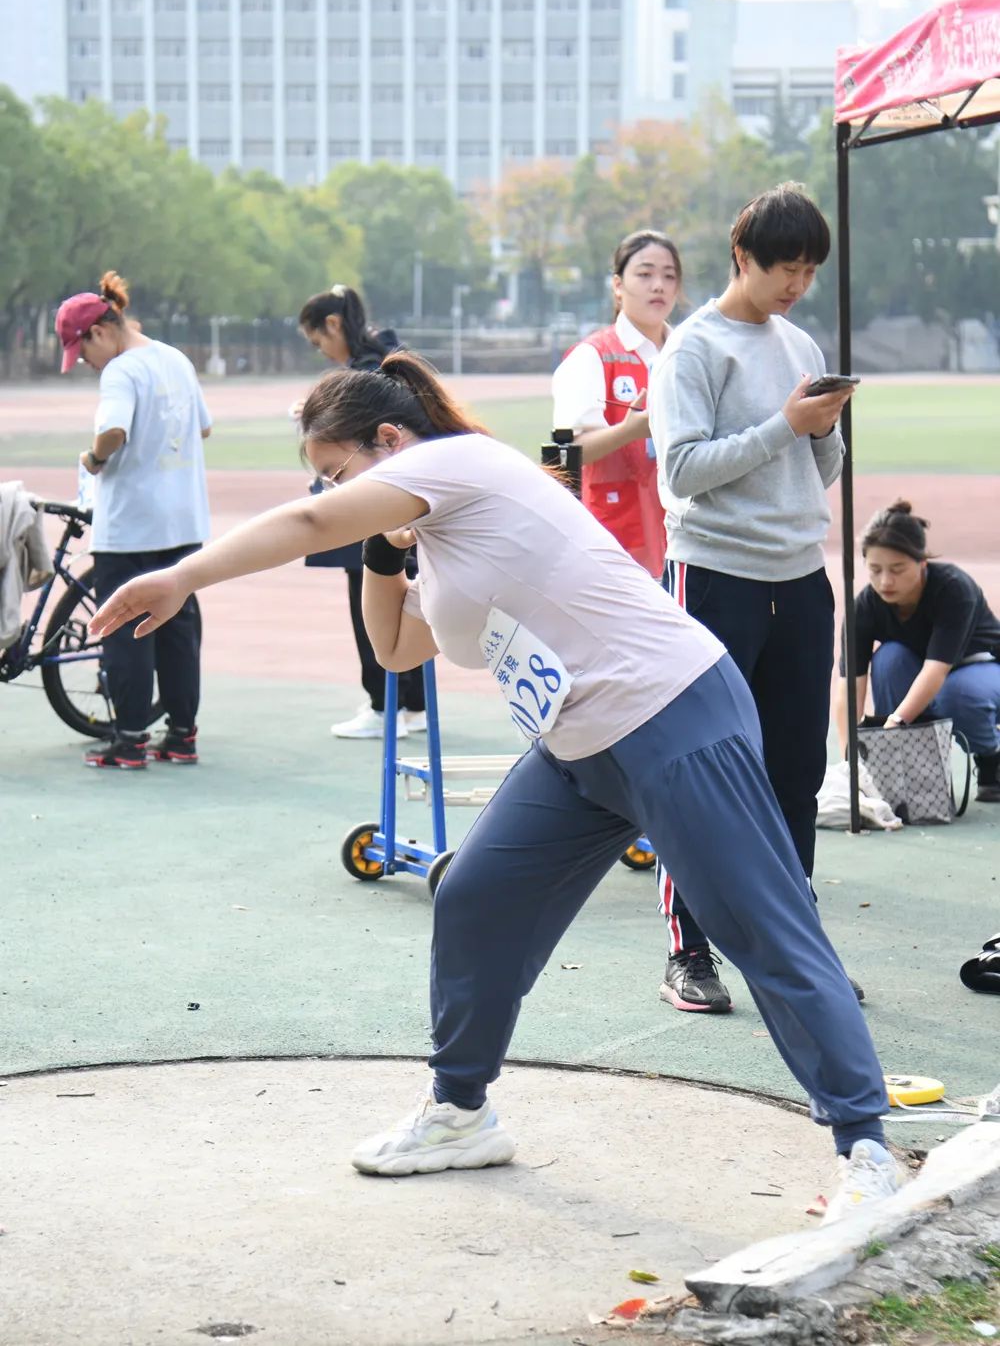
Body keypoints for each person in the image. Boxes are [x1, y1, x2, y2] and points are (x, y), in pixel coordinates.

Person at [89, 352, 900, 1220]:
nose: (334, 490)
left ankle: (866, 1151)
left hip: (670, 711)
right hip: (581, 747)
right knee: (475, 895)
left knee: (758, 924)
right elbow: (398, 650)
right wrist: (381, 556)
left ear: (390, 440)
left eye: (339, 470)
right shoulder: (440, 540)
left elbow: (305, 522)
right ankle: (460, 1112)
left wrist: (184, 574)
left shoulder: (457, 464)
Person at [648, 183, 858, 1014]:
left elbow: (818, 472)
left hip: (800, 578)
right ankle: (688, 952)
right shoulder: (693, 350)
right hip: (715, 576)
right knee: (701, 769)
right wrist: (786, 425)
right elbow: (682, 474)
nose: (796, 284)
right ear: (743, 257)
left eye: (809, 270)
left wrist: (826, 425)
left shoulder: (798, 338)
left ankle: (795, 949)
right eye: (784, 267)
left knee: (798, 775)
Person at [56, 270, 210, 769]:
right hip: (183, 520)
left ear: (99, 332)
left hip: (130, 526)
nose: (84, 363)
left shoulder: (121, 371)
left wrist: (94, 459)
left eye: (81, 352)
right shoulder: (176, 359)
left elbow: (113, 431)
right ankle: (182, 736)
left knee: (123, 628)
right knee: (177, 627)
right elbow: (203, 429)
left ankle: (129, 740)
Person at [297, 285, 425, 741]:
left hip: (376, 501)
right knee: (408, 600)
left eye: (318, 341)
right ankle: (412, 704)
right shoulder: (389, 356)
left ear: (333, 325)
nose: (322, 351)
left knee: (370, 602)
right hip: (404, 503)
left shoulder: (368, 372)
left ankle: (382, 704)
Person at [836, 500, 1000, 803]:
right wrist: (851, 763)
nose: (885, 581)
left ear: (922, 562)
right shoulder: (864, 606)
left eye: (897, 569)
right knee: (889, 658)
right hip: (924, 674)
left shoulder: (953, 588)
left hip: (981, 669)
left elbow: (936, 670)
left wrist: (894, 724)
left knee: (957, 692)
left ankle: (992, 758)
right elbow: (848, 687)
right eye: (875, 570)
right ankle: (914, 774)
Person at [551, 231, 680, 576]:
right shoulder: (592, 356)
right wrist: (629, 430)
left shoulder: (688, 355)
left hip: (685, 541)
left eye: (669, 276)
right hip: (614, 542)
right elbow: (567, 453)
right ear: (618, 285)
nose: (659, 285)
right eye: (645, 273)